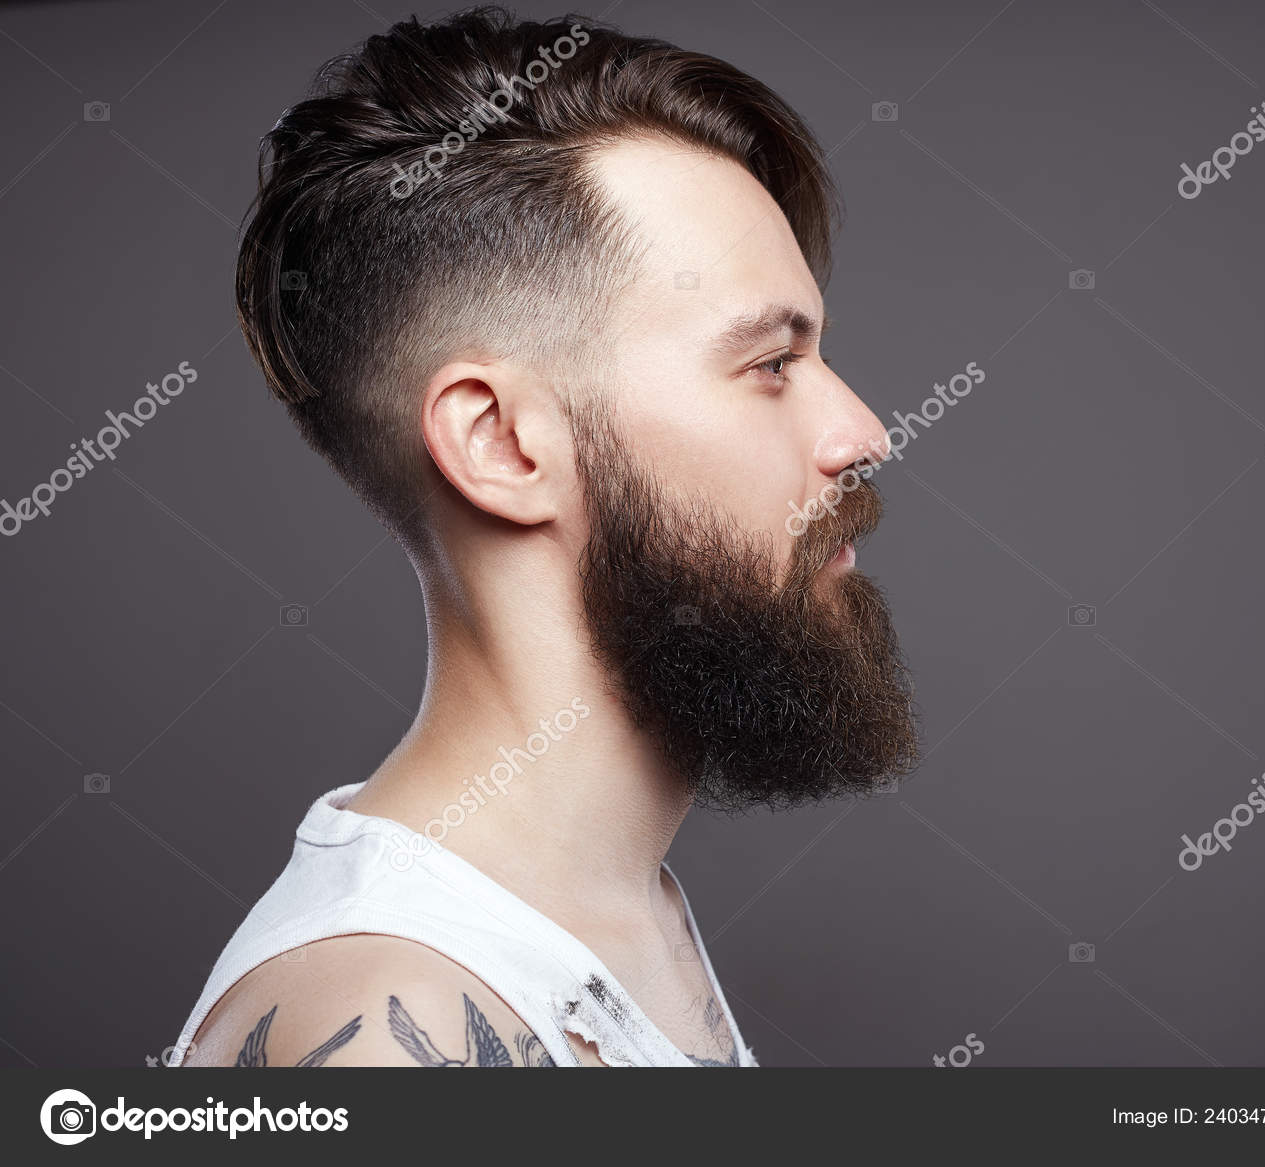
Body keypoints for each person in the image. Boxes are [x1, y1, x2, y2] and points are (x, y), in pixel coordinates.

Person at [172, 6, 918, 1068]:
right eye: (767, 365)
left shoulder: (612, 914)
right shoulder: (389, 1023)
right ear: (503, 446)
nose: (860, 433)